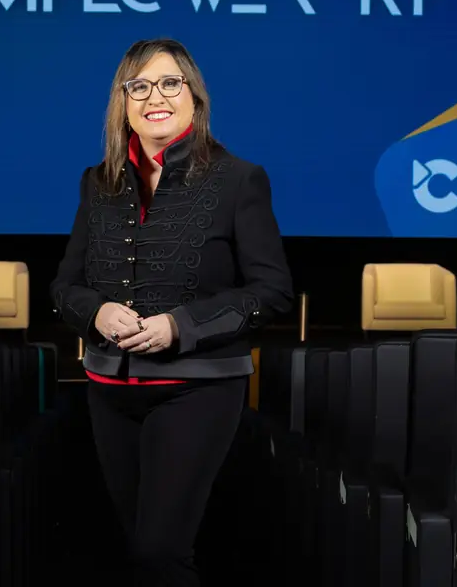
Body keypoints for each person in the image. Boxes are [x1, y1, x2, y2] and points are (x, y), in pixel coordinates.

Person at [50, 38, 293, 586]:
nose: (153, 96)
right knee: (136, 549)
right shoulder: (99, 182)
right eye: (137, 86)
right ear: (123, 102)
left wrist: (177, 326)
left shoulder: (238, 179)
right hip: (109, 391)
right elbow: (65, 285)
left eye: (169, 83)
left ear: (194, 97)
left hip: (197, 389)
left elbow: (272, 291)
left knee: (161, 552)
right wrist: (97, 313)